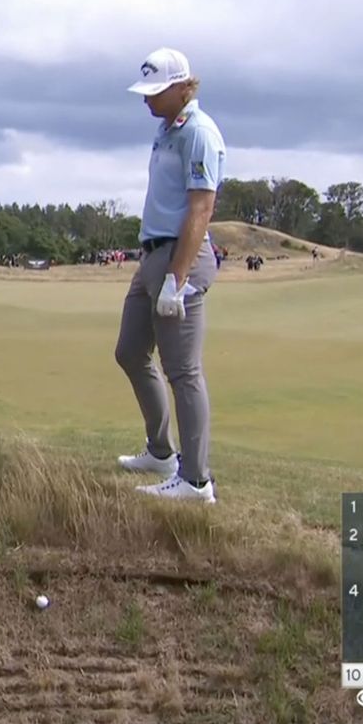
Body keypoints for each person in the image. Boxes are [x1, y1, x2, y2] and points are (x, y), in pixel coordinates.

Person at [113, 47, 226, 503]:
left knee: (183, 371)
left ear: (183, 87)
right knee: (130, 351)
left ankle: (195, 480)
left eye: (155, 92)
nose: (147, 100)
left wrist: (176, 281)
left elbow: (201, 209)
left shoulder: (199, 133)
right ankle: (161, 452)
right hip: (152, 255)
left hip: (181, 259)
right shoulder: (167, 131)